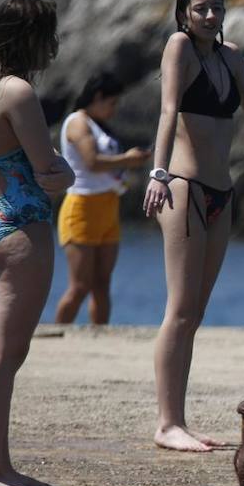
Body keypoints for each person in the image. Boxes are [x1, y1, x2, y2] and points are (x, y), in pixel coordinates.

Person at [143, 0, 244, 453]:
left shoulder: (232, 56)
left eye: (216, 8)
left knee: (195, 313)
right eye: (200, 8)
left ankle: (176, 419)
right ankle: (167, 423)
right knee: (179, 310)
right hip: (183, 188)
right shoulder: (178, 46)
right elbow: (167, 111)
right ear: (183, 13)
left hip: (221, 194)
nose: (209, 15)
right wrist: (158, 173)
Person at [0, 0, 75, 486]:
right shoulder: (19, 91)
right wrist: (66, 172)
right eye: (48, 35)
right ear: (31, 37)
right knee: (5, 355)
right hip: (18, 224)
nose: (53, 46)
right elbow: (46, 168)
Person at [54, 71, 150, 324]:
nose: (114, 109)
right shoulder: (78, 122)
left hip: (108, 205)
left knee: (102, 284)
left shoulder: (98, 125)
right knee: (80, 285)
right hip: (82, 207)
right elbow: (92, 162)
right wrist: (128, 159)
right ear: (97, 97)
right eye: (112, 103)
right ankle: (54, 336)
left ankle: (100, 336)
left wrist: (129, 163)